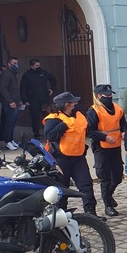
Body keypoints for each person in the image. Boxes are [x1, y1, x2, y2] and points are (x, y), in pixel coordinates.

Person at [43, 91, 101, 219]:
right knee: (62, 188)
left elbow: (88, 131)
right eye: (73, 102)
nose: (75, 104)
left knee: (86, 185)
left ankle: (91, 213)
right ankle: (61, 215)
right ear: (66, 104)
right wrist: (64, 125)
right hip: (61, 159)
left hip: (78, 157)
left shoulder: (79, 116)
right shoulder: (53, 118)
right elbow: (49, 135)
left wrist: (103, 137)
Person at [86, 84, 125, 218]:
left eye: (110, 94)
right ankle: (108, 205)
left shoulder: (118, 109)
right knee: (105, 177)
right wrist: (105, 137)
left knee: (118, 176)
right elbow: (90, 131)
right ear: (98, 96)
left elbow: (123, 125)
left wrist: (124, 132)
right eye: (106, 95)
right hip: (101, 148)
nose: (109, 97)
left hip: (116, 146)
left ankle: (109, 194)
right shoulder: (93, 111)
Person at [20, 59, 56, 139]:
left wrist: (52, 89)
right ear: (32, 66)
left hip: (44, 99)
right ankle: (36, 134)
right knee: (35, 117)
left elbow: (53, 79)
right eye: (36, 65)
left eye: (39, 65)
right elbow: (23, 88)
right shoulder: (27, 75)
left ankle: (48, 132)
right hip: (32, 100)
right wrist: (25, 100)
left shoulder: (43, 72)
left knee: (47, 116)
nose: (38, 67)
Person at [0, 57, 22, 150]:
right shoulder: (6, 74)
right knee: (8, 122)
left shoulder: (13, 74)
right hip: (9, 103)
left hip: (14, 102)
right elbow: (3, 89)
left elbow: (15, 90)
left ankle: (11, 139)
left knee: (12, 122)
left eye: (17, 63)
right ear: (9, 64)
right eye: (14, 63)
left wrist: (18, 100)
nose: (16, 65)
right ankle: (7, 141)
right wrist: (10, 101)